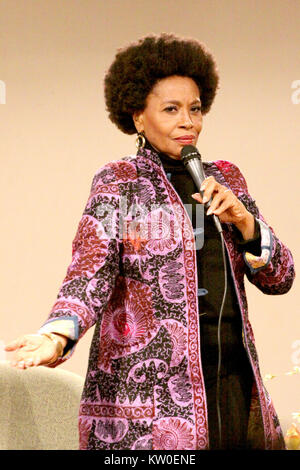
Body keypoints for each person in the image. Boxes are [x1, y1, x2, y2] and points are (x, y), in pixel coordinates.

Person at [5, 33, 295, 450]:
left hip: (231, 383)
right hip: (149, 402)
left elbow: (280, 277)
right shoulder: (119, 181)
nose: (188, 122)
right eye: (171, 109)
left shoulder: (227, 178)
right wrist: (57, 334)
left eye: (195, 109)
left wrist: (246, 222)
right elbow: (90, 271)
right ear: (138, 116)